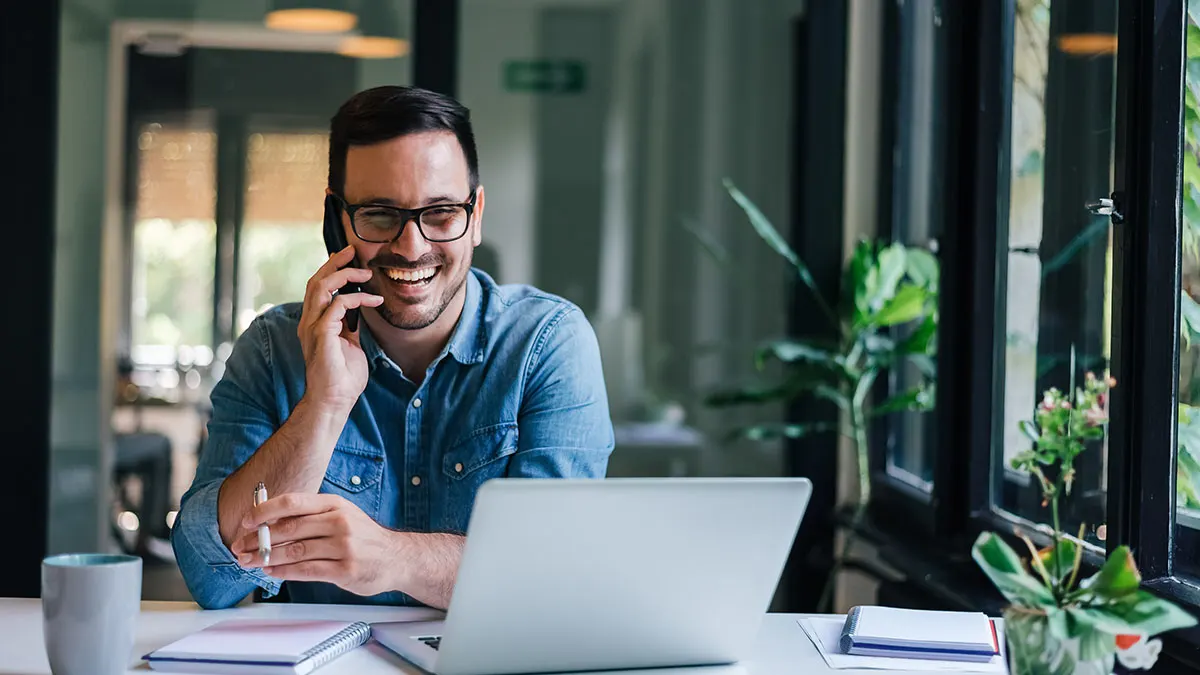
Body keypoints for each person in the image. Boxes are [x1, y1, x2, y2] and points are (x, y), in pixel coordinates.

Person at [171, 86, 615, 610]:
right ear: (338, 221)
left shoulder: (547, 344)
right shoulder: (273, 349)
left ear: (476, 216)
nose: (411, 246)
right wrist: (324, 406)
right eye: (380, 214)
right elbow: (211, 578)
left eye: (442, 213)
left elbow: (556, 574)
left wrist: (392, 558)